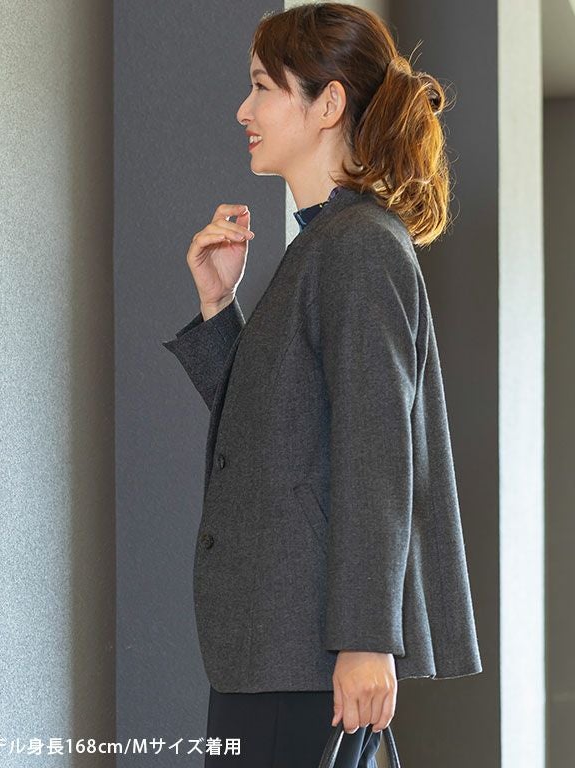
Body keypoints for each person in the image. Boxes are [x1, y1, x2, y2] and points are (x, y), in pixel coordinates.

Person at [161, 4, 482, 766]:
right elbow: (276, 432)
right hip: (275, 647)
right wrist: (218, 307)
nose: (244, 110)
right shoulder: (326, 244)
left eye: (262, 87)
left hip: (304, 652)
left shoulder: (359, 246)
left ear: (328, 103)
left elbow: (378, 455)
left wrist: (367, 641)